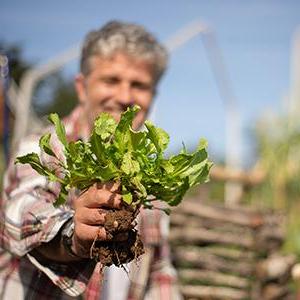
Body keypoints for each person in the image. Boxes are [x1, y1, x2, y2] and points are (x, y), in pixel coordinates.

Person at [0, 21, 181, 299]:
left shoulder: (150, 182)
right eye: (111, 80)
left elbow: (159, 274)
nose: (124, 96)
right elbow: (19, 212)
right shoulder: (46, 149)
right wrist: (74, 234)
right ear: (82, 88)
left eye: (139, 85)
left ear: (152, 96)